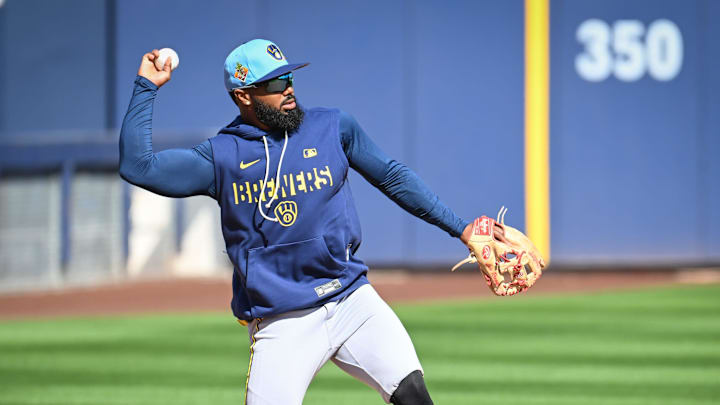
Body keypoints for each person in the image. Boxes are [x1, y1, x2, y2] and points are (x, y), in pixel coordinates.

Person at [120, 39, 477, 405]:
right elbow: (138, 167)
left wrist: (461, 228)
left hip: (351, 298)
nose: (288, 88)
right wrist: (146, 87)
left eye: (288, 77)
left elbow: (392, 177)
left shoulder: (333, 127)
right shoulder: (221, 156)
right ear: (244, 96)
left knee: (414, 395)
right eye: (274, 83)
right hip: (282, 319)